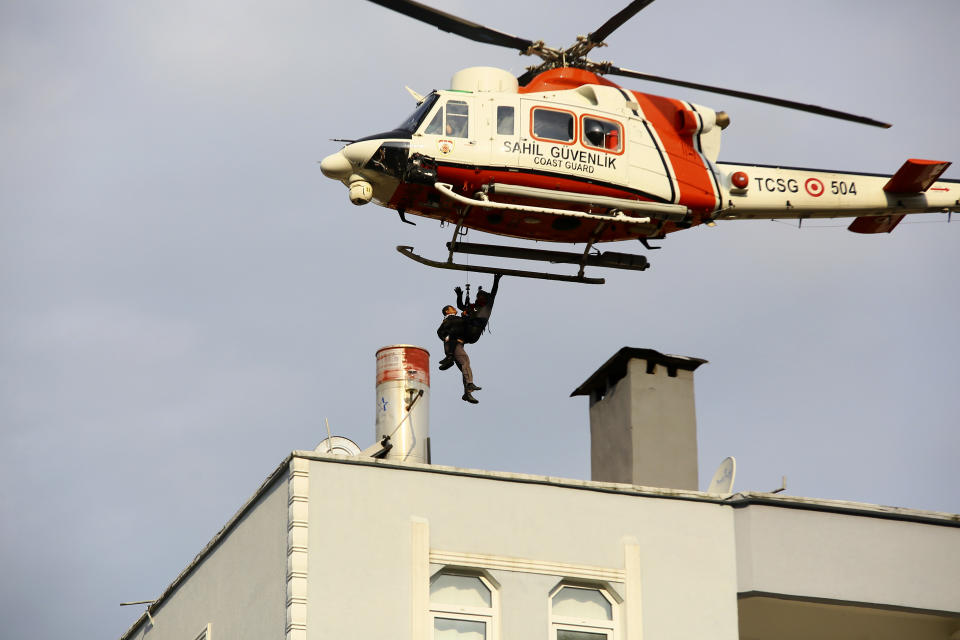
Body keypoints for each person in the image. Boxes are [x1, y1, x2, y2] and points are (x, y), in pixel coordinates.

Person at [436, 305, 481, 404]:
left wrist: (466, 316)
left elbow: (463, 326)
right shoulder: (450, 319)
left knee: (464, 368)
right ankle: (469, 384)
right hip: (454, 345)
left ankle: (467, 394)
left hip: (457, 345)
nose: (455, 309)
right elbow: (441, 331)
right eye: (453, 308)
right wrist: (447, 337)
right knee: (465, 361)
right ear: (447, 311)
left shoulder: (453, 319)